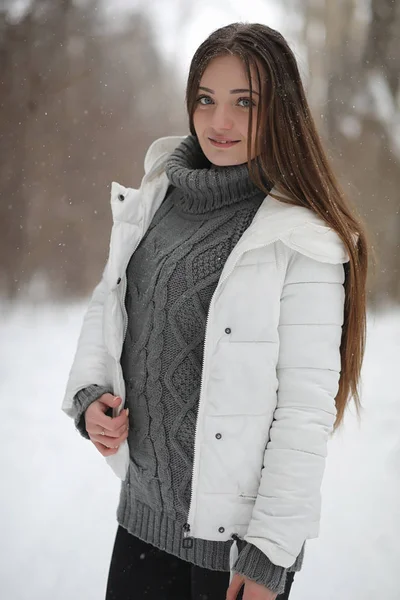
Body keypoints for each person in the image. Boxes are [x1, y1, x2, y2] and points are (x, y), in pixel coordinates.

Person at [62, 22, 368, 600]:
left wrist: (269, 557)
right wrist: (89, 398)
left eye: (243, 102)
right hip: (140, 526)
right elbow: (111, 304)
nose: (218, 121)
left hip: (231, 558)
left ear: (280, 111)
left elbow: (302, 413)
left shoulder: (299, 237)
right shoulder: (157, 197)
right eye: (206, 99)